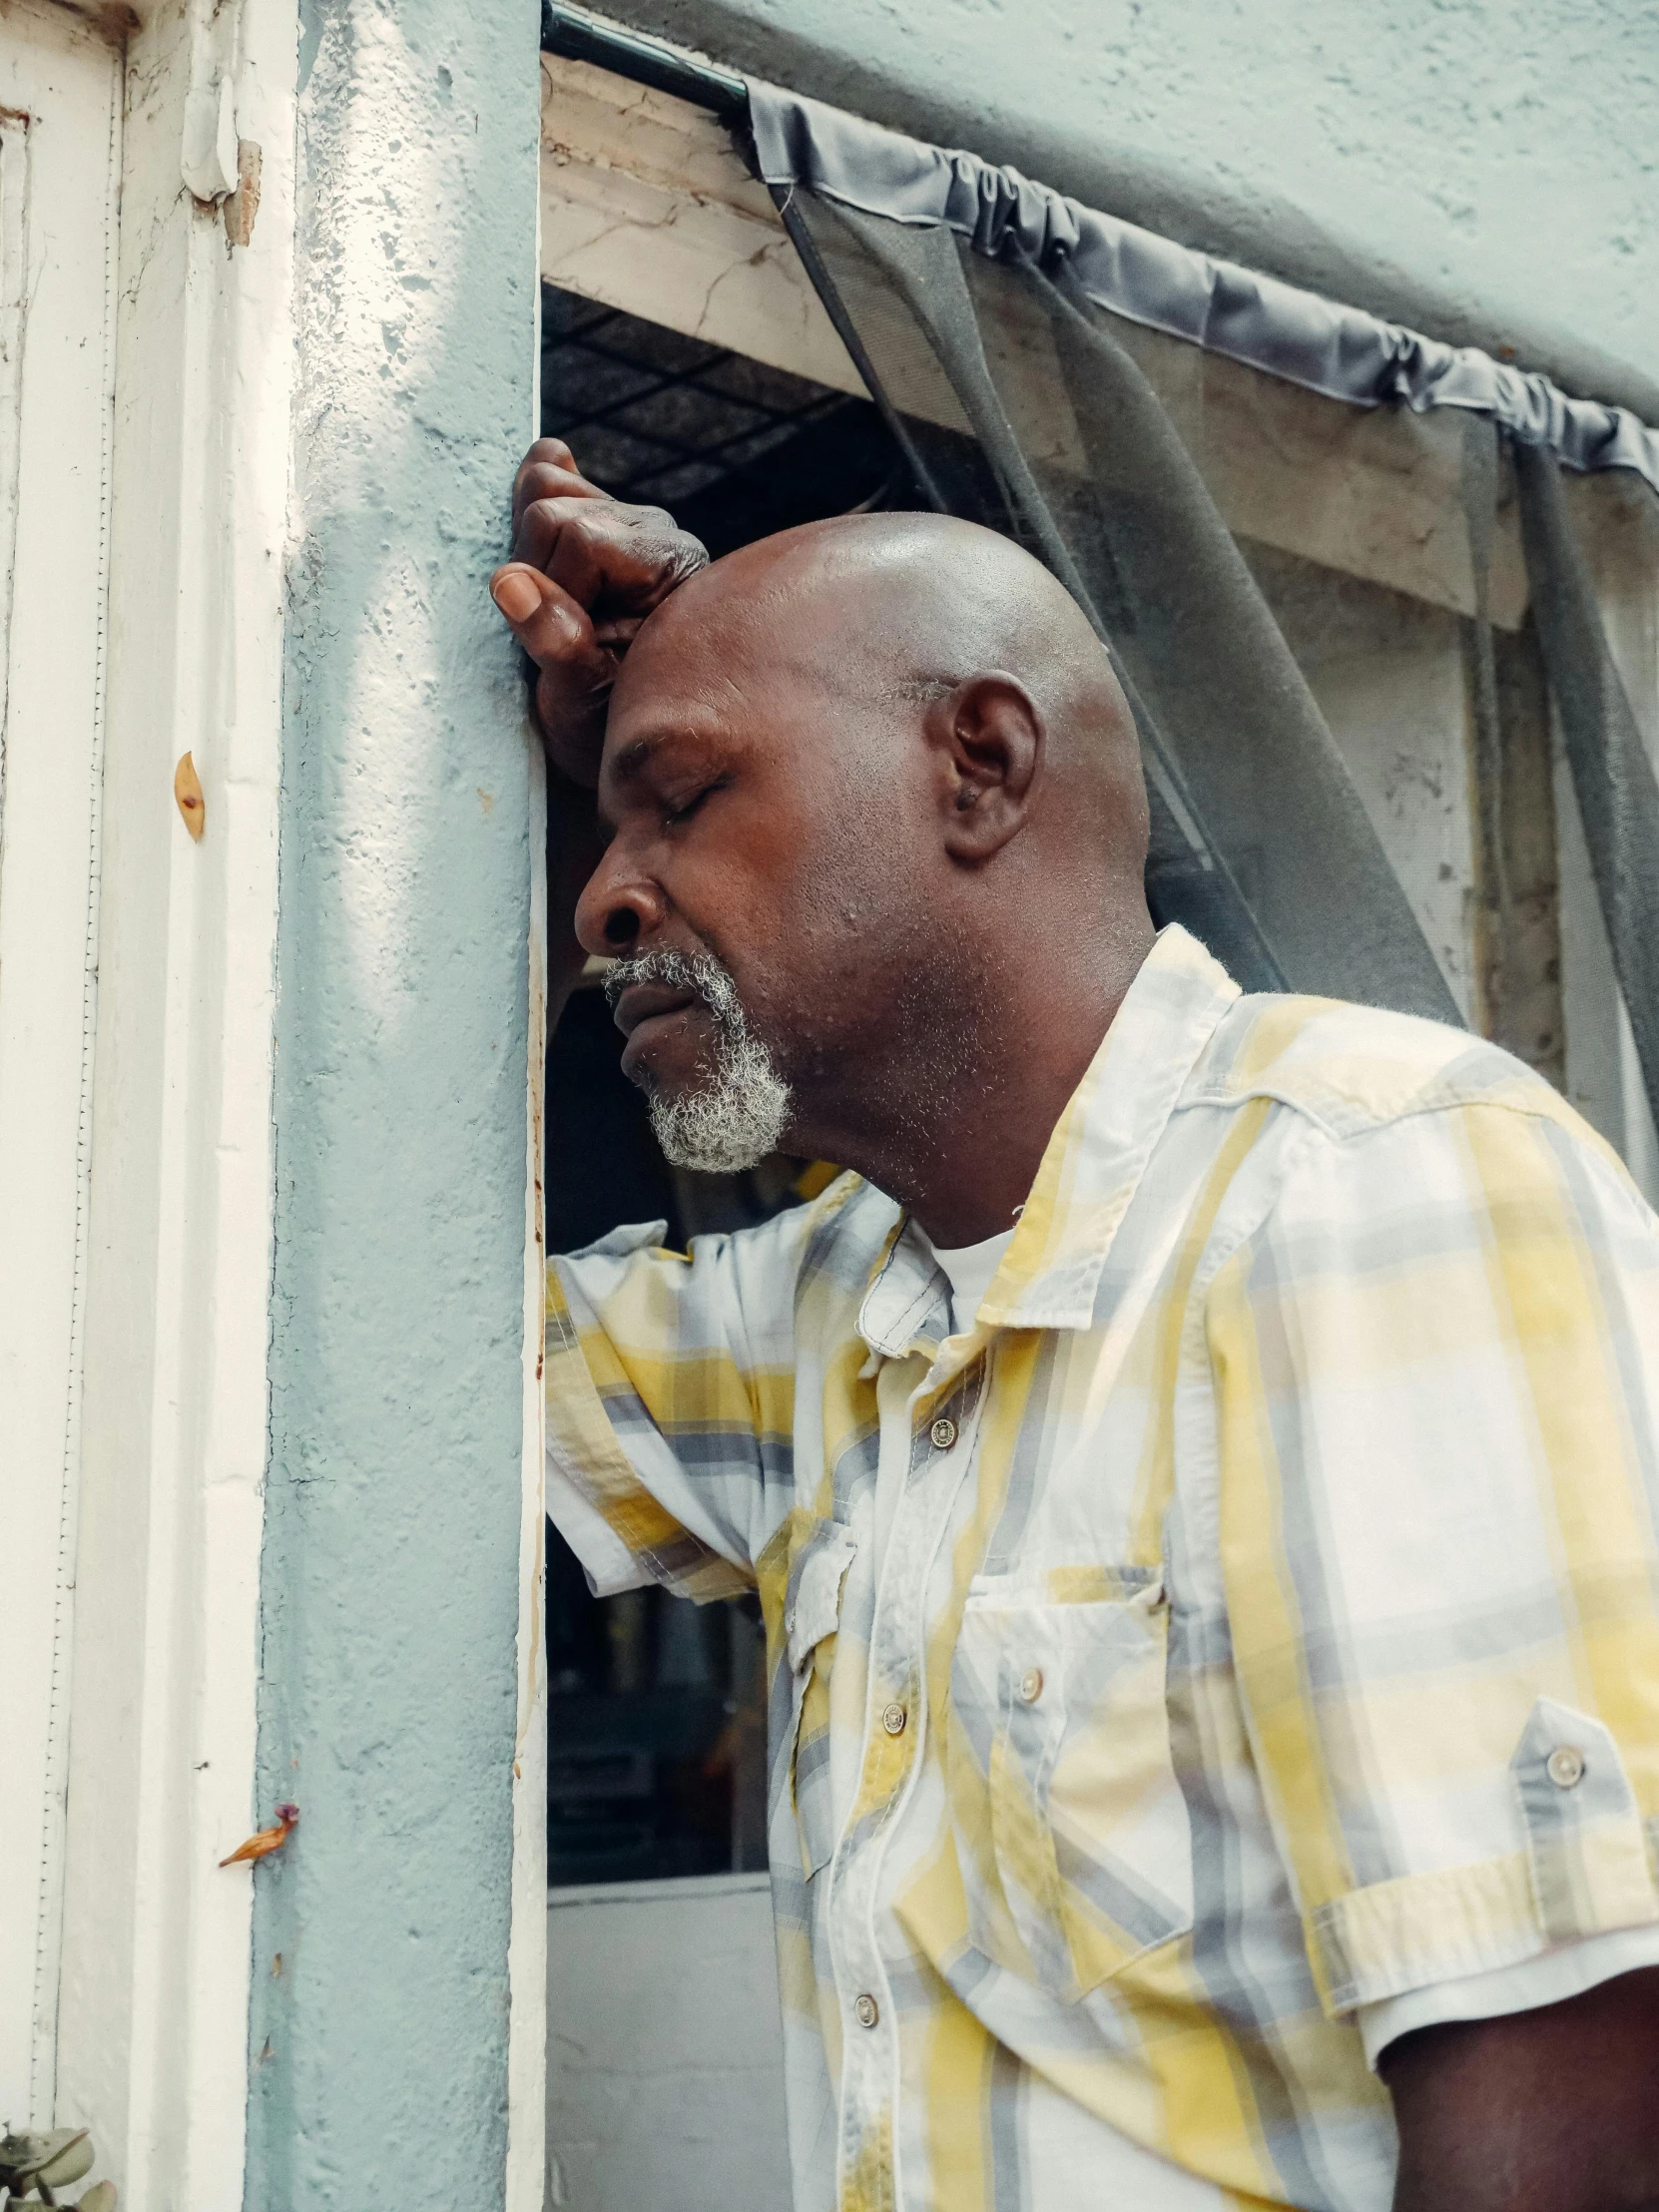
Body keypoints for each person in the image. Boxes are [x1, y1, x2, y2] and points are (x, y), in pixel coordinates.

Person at [492, 436, 1659, 2212]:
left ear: (979, 763)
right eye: (606, 825)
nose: (603, 897)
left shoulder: (1368, 1189)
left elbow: (1568, 2124)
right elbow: (361, 1361)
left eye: (681, 799)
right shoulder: (840, 1310)